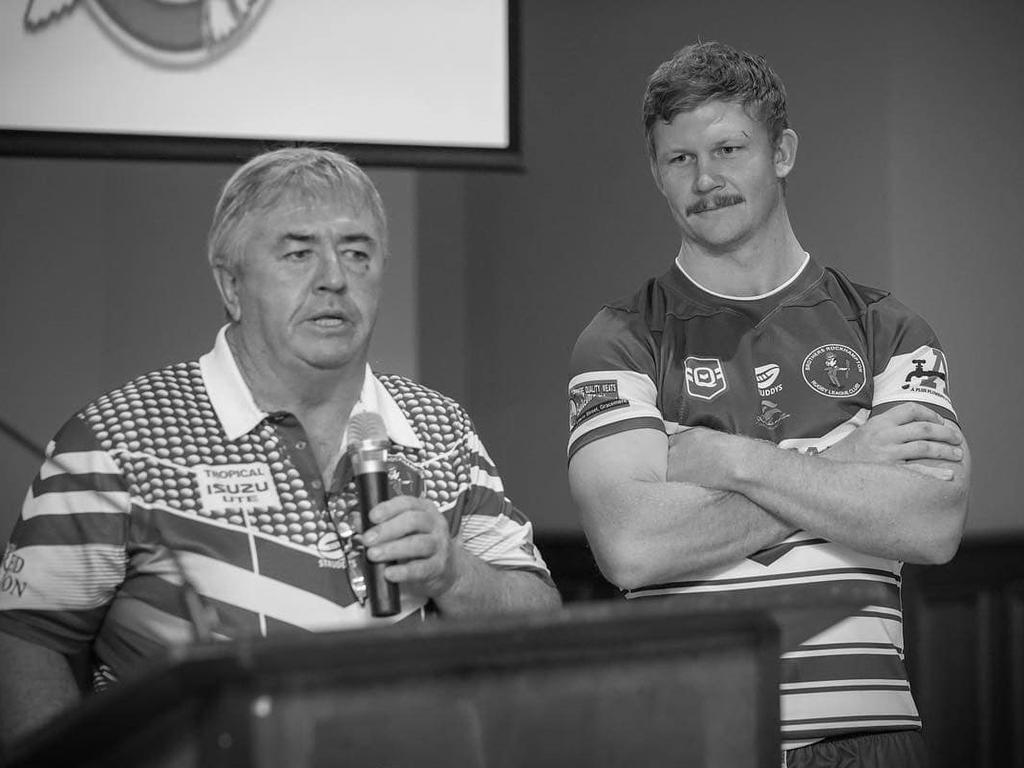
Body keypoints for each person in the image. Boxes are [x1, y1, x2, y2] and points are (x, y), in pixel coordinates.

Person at [0, 147, 561, 747]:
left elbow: (539, 618)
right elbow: (28, 641)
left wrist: (454, 573)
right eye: (298, 253)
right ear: (231, 283)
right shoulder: (117, 436)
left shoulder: (440, 427)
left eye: (357, 252)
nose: (334, 278)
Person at [567, 41, 970, 766]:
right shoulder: (621, 339)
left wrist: (727, 460)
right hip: (685, 739)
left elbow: (931, 521)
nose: (706, 179)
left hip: (867, 742)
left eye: (728, 148)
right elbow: (631, 546)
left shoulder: (889, 329)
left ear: (782, 152)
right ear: (656, 175)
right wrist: (845, 461)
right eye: (679, 159)